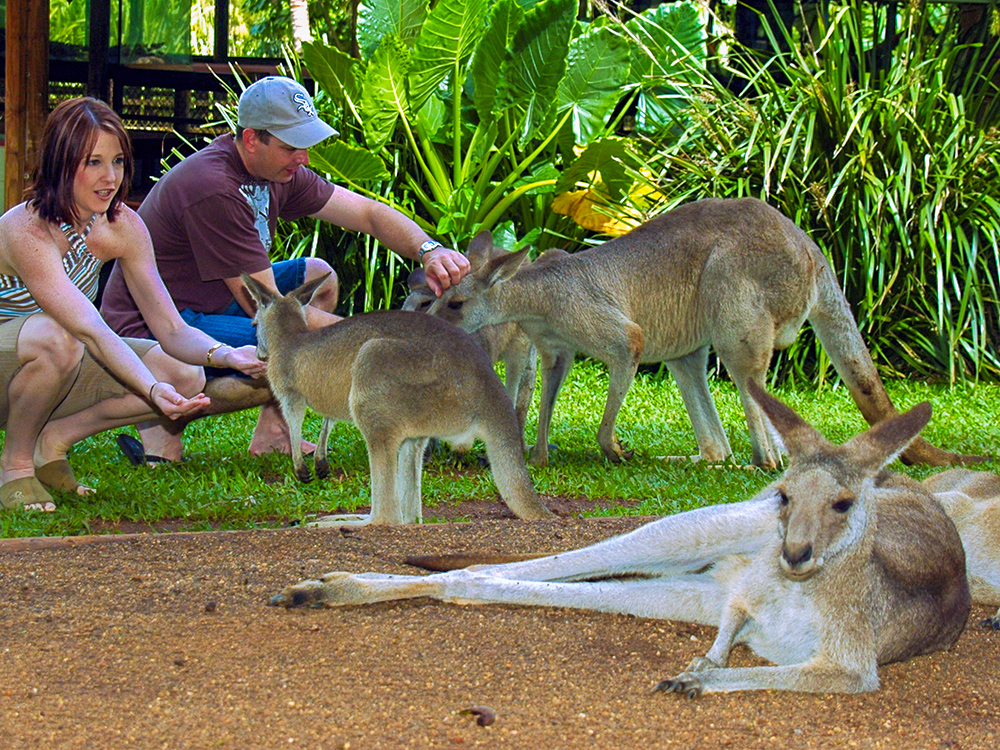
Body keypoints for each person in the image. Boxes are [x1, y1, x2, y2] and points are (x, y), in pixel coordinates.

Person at [100, 76, 471, 463]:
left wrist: (430, 250)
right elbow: (274, 311)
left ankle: (274, 432)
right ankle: (158, 424)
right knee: (288, 351)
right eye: (291, 146)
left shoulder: (274, 170)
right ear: (250, 140)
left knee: (318, 275)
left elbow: (368, 213)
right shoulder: (214, 188)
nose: (304, 157)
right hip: (152, 326)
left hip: (209, 302)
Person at [0, 97, 264, 512]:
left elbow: (172, 329)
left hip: (55, 361)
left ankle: (50, 445)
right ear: (59, 164)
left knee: (184, 372)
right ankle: (14, 468)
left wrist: (226, 355)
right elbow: (90, 328)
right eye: (93, 162)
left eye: (118, 161)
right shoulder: (25, 229)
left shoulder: (122, 226)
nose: (110, 177)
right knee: (60, 335)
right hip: (19, 358)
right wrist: (152, 390)